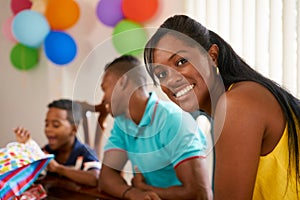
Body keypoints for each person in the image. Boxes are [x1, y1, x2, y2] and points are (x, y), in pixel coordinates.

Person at [143, 14, 300, 199]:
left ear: (212, 56)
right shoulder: (228, 106)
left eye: (181, 62)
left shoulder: (236, 104)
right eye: (161, 75)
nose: (171, 79)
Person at [98, 55, 212, 200]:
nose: (103, 99)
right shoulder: (122, 123)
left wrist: (145, 189)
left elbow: (200, 194)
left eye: (104, 88)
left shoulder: (173, 120)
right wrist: (134, 194)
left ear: (123, 82)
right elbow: (106, 177)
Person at [14, 99, 101, 187]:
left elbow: (95, 178)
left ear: (74, 129)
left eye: (56, 125)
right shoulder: (47, 151)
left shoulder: (85, 153)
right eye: (46, 124)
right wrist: (26, 148)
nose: (48, 129)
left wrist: (58, 168)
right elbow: (28, 174)